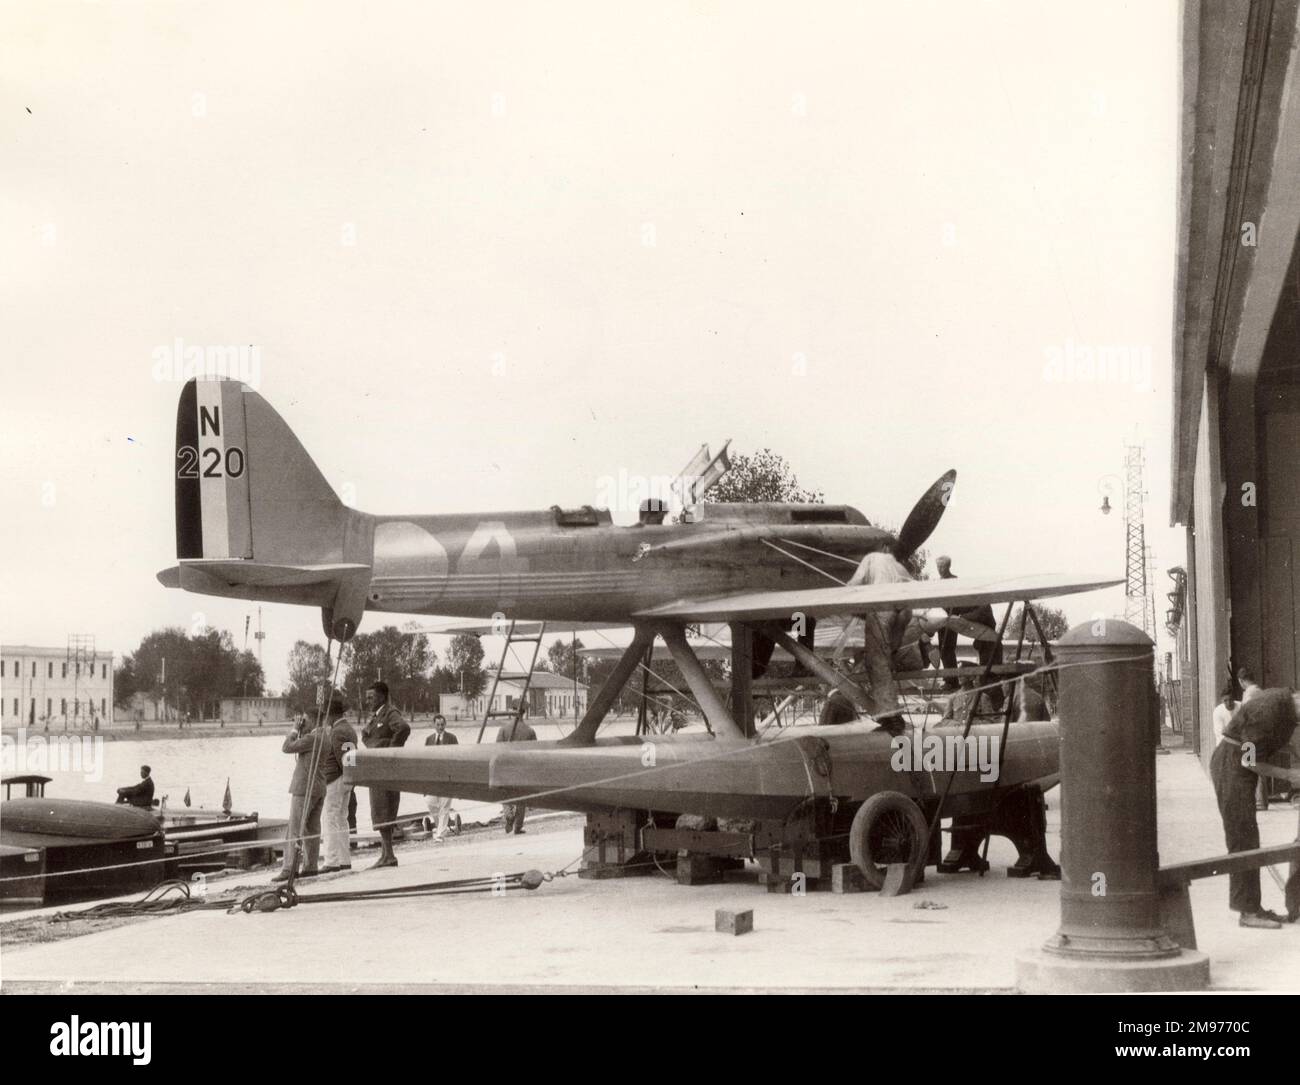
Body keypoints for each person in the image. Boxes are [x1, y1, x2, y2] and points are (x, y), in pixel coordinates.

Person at [1210, 686, 1299, 928]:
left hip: (1236, 765)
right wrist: (1289, 775)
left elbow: (1287, 742)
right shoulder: (1269, 710)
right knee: (1242, 839)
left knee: (1249, 838)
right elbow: (1248, 760)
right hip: (1231, 766)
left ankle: (1253, 907)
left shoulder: (1286, 708)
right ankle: (1247, 912)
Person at [361, 680, 410, 868]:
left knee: (385, 809)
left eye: (371, 697)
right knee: (379, 810)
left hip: (387, 770)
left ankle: (389, 855)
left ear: (382, 696)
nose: (368, 700)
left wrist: (390, 749)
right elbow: (366, 736)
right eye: (367, 697)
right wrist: (376, 745)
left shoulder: (390, 713)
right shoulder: (375, 716)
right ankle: (386, 853)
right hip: (377, 769)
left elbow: (404, 728)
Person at [274, 714, 328, 882]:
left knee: (294, 829)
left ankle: (289, 868)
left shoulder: (312, 738)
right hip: (319, 787)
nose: (302, 722)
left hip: (304, 788)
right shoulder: (325, 736)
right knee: (312, 829)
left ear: (312, 720)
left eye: (305, 719)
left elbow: (286, 747)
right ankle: (311, 866)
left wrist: (295, 730)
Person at [319, 691, 357, 873]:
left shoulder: (336, 732)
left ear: (331, 714)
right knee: (342, 818)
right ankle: (344, 859)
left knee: (330, 818)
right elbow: (351, 758)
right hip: (348, 778)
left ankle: (331, 860)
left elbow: (341, 758)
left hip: (334, 778)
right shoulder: (349, 729)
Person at [495, 717, 537, 834]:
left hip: (506, 766)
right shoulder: (529, 731)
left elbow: (496, 748)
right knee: (521, 798)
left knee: (506, 794)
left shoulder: (503, 729)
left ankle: (508, 814)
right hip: (522, 767)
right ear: (524, 712)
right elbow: (535, 751)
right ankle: (518, 826)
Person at [424, 714, 458, 842]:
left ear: (445, 724)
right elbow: (425, 760)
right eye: (438, 725)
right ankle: (440, 828)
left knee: (444, 805)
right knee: (430, 803)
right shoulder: (429, 740)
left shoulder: (452, 738)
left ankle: (440, 834)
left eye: (442, 724)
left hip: (447, 778)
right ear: (434, 725)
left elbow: (457, 757)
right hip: (433, 779)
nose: (440, 727)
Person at [1237, 667, 1268, 810]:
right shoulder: (1259, 691)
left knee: (1251, 766)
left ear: (1241, 681)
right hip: (1260, 733)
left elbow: (1246, 715)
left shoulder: (1249, 694)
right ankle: (1262, 800)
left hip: (1251, 735)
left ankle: (1258, 801)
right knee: (1258, 766)